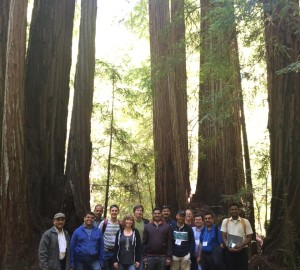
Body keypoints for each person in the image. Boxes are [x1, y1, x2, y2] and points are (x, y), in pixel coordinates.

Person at [221, 203, 253, 270]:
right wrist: (228, 246)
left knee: (243, 267)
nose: (234, 211)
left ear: (239, 210)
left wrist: (240, 245)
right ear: (229, 211)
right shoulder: (225, 221)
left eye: (235, 209)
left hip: (242, 251)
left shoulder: (245, 221)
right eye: (232, 209)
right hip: (230, 250)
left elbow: (249, 237)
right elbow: (223, 236)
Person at [99, 204, 122, 270]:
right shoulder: (104, 223)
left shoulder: (120, 224)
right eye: (112, 211)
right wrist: (102, 247)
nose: (114, 212)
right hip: (105, 252)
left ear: (118, 212)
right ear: (110, 212)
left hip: (116, 252)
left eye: (116, 211)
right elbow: (98, 236)